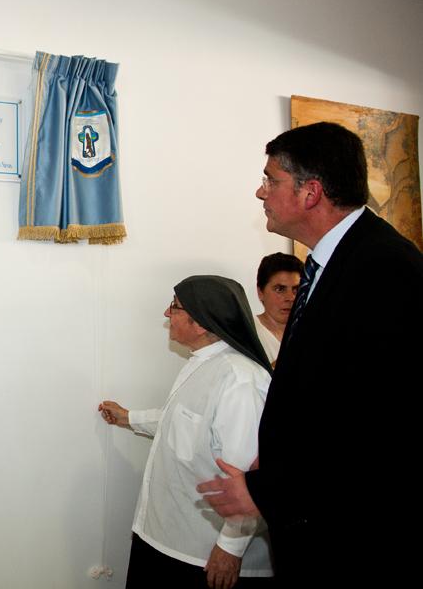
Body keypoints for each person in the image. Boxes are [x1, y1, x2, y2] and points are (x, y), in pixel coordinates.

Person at [197, 123, 423, 586]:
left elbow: (378, 426)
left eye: (271, 180)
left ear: (310, 192)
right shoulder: (328, 261)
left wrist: (266, 491)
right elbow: (321, 389)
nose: (260, 192)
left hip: (355, 543)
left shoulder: (386, 270)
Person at [99, 276, 273, 589]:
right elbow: (181, 421)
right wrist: (128, 418)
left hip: (204, 556)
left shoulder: (240, 381)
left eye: (175, 307)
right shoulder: (203, 363)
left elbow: (246, 477)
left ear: (202, 322)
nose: (167, 314)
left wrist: (230, 549)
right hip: (165, 539)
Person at [252, 253, 302, 367]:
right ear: (260, 292)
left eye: (296, 289)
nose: (290, 298)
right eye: (280, 289)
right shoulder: (248, 334)